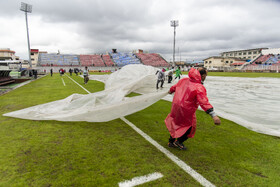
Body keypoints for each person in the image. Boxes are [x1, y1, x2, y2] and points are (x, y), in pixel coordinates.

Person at [165, 67, 221, 150]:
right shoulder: (198, 87)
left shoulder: (184, 80)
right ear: (202, 75)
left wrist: (170, 91)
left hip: (176, 107)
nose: (206, 76)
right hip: (187, 110)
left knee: (176, 123)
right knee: (190, 127)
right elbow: (203, 101)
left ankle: (171, 141)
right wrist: (213, 115)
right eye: (206, 74)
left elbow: (174, 87)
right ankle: (179, 142)